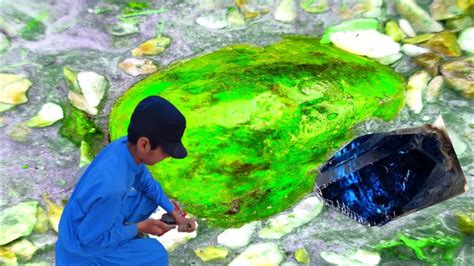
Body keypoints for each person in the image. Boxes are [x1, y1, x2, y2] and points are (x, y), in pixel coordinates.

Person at [55, 96, 196, 265]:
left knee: (148, 198)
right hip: (82, 253)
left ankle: (124, 233)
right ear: (144, 144)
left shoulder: (122, 146)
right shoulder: (112, 188)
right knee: (156, 255)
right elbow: (90, 241)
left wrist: (172, 211)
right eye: (165, 152)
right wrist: (141, 227)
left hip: (86, 223)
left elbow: (146, 182)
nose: (167, 156)